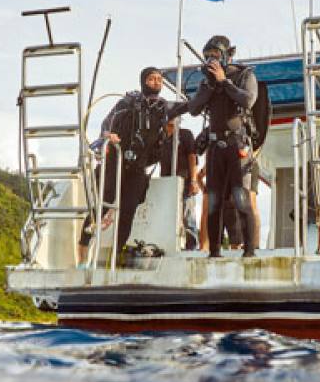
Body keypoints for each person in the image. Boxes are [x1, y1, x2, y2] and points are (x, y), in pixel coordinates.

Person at [99, 66, 188, 251]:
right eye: (151, 79)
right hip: (117, 163)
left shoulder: (163, 107)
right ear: (143, 82)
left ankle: (116, 251)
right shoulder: (128, 102)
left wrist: (211, 87)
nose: (156, 82)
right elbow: (106, 123)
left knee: (128, 212)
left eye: (159, 79)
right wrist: (109, 135)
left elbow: (188, 106)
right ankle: (84, 251)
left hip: (138, 169)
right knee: (102, 205)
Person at [188, 35, 258, 258]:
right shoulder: (206, 81)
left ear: (228, 55)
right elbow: (193, 108)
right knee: (214, 201)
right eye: (207, 56)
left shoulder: (244, 75)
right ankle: (214, 253)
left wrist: (224, 81)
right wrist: (211, 84)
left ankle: (249, 252)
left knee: (240, 198)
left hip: (237, 145)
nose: (211, 59)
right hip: (215, 147)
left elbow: (248, 100)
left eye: (216, 55)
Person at [160, 119, 200, 250]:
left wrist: (194, 181)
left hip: (185, 182)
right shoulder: (161, 138)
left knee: (188, 217)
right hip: (167, 184)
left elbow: (192, 157)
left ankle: (192, 247)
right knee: (168, 216)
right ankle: (169, 246)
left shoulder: (185, 134)